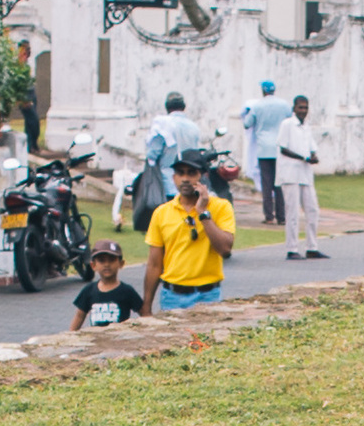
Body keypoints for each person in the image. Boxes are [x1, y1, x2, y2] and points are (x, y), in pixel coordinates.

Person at [139, 150, 234, 311]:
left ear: (203, 177)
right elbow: (154, 264)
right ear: (173, 177)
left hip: (208, 295)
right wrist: (147, 305)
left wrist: (203, 213)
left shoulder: (221, 207)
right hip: (172, 296)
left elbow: (225, 249)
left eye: (191, 173)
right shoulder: (162, 213)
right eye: (180, 173)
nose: (185, 179)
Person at [135, 92, 197, 232]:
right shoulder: (194, 127)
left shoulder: (163, 125)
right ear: (184, 107)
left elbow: (153, 153)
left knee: (171, 220)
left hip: (169, 181)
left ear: (167, 108)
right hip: (191, 180)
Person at [276, 93, 324, 259]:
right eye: (300, 107)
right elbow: (283, 148)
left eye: (305, 107)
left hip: (305, 174)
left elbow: (312, 147)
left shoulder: (306, 127)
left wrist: (313, 156)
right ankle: (292, 249)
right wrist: (303, 157)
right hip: (290, 174)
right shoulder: (287, 124)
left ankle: (312, 247)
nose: (303, 110)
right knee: (293, 213)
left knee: (313, 210)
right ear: (294, 108)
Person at [242, 80, 292, 226]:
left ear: (263, 91)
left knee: (267, 183)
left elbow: (247, 124)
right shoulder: (284, 105)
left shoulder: (257, 106)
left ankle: (269, 216)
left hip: (263, 148)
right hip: (280, 148)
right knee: (279, 184)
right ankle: (282, 217)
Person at [68, 240, 143, 330]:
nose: (107, 264)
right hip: (96, 340)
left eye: (112, 260)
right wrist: (71, 334)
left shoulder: (127, 291)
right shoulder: (89, 290)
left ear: (121, 264)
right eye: (101, 261)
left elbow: (144, 314)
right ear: (93, 265)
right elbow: (79, 316)